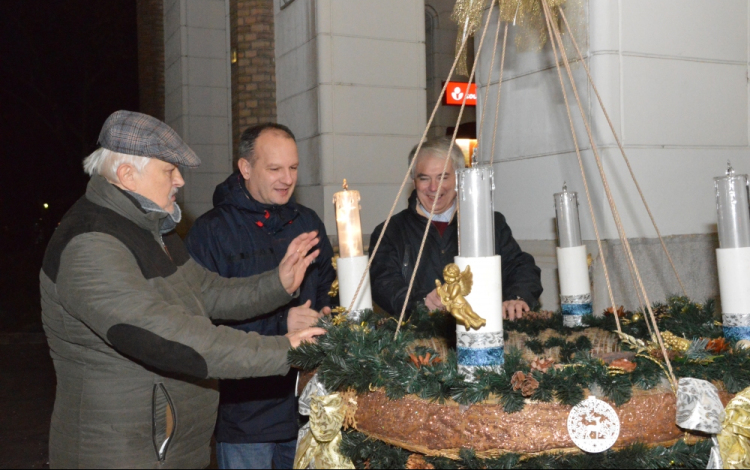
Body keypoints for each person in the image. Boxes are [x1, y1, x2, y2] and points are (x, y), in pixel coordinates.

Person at [40, 110, 326, 469]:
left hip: (164, 447)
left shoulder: (149, 229)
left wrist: (276, 285)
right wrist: (281, 349)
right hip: (122, 452)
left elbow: (205, 291)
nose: (179, 181)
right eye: (168, 170)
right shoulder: (91, 242)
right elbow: (167, 336)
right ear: (128, 175)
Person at [185, 123, 335, 469]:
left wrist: (328, 311)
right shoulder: (211, 232)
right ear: (246, 168)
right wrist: (282, 323)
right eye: (275, 169)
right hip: (245, 414)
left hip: (305, 408)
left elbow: (327, 282)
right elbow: (200, 319)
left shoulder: (307, 222)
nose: (287, 178)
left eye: (293, 168)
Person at [369, 137, 543, 320]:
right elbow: (383, 282)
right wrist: (420, 302)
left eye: (443, 177)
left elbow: (519, 266)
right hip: (417, 340)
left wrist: (517, 297)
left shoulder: (490, 223)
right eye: (424, 178)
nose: (434, 187)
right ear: (413, 181)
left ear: (460, 178)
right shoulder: (390, 232)